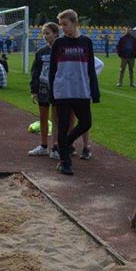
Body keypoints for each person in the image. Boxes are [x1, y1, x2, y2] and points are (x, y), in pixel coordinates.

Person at [49, 9, 100, 176]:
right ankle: (65, 162)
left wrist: (95, 90)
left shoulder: (86, 42)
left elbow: (91, 68)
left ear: (75, 23)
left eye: (65, 24)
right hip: (63, 91)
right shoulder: (58, 43)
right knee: (62, 126)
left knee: (86, 123)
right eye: (61, 25)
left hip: (81, 91)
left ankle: (67, 143)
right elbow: (53, 70)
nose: (63, 28)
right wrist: (52, 93)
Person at [29, 22, 59, 157]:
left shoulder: (60, 50)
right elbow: (35, 72)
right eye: (43, 34)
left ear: (56, 34)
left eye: (48, 33)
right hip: (42, 88)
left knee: (56, 118)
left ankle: (56, 147)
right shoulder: (41, 52)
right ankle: (43, 145)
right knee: (43, 117)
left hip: (57, 88)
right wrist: (33, 90)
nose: (45, 36)